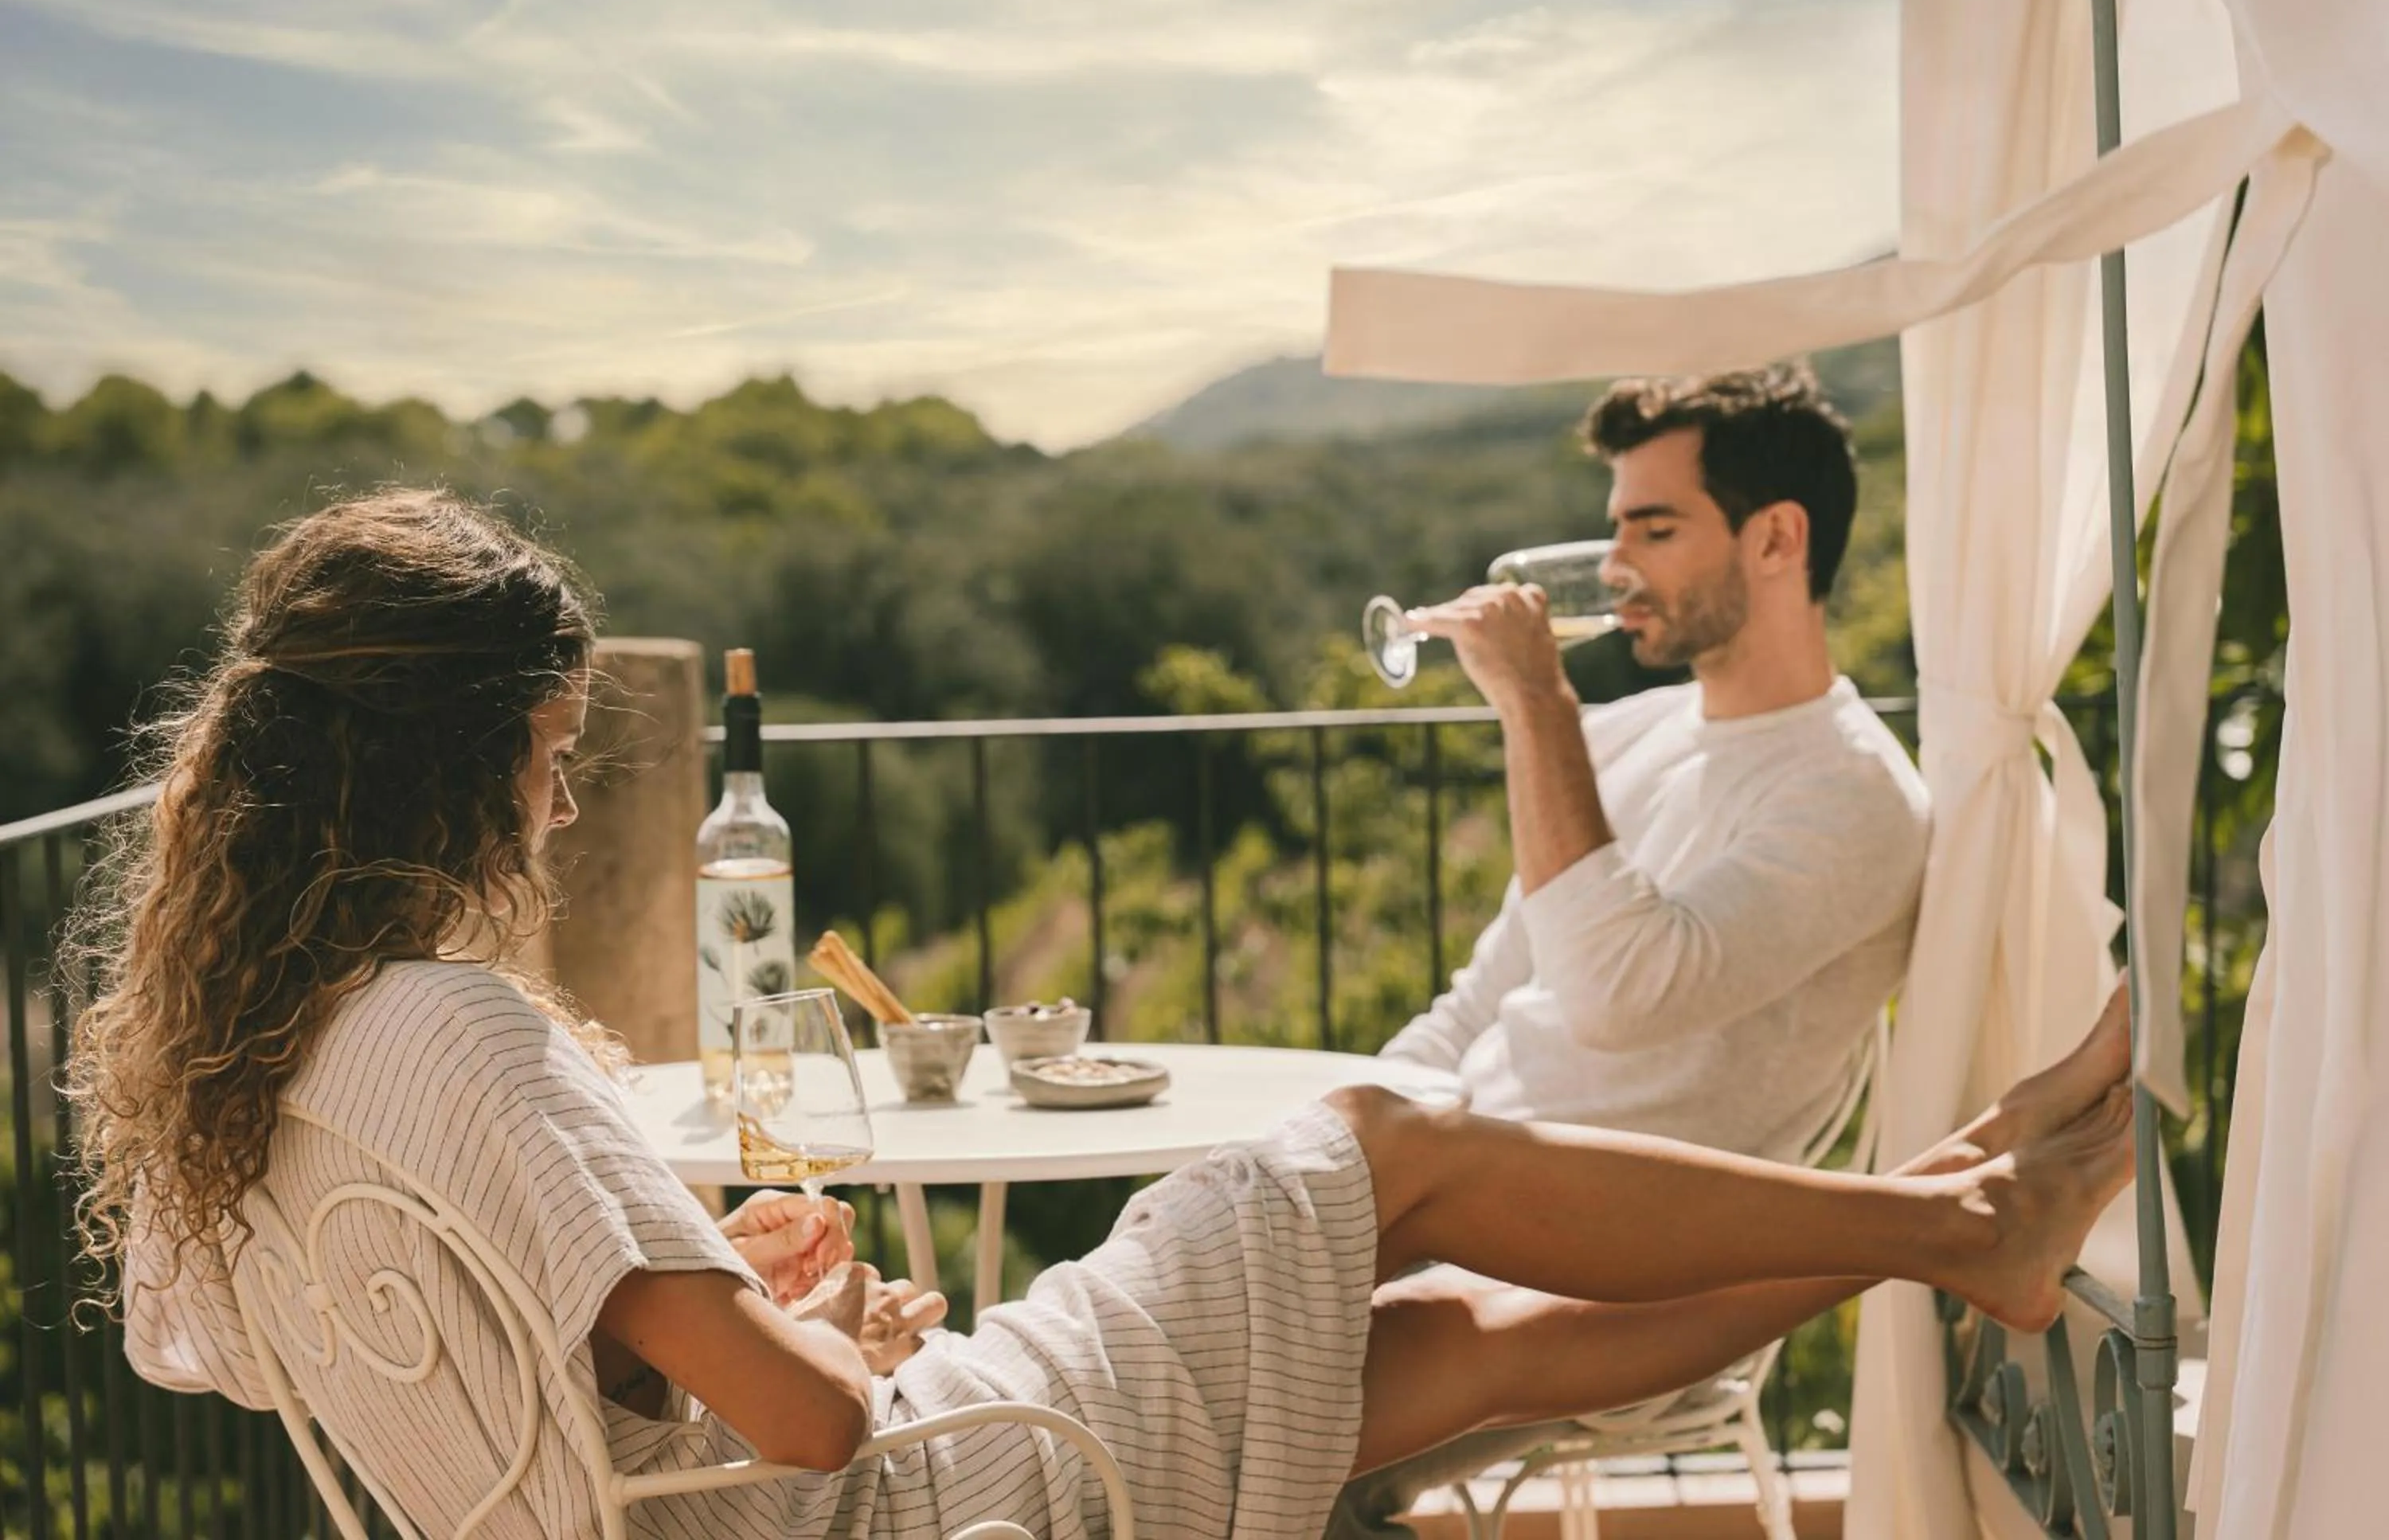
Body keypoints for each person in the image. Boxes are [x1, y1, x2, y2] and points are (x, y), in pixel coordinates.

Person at [71, 491, 2132, 1540]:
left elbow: (511, 1387)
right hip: (931, 1500)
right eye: (538, 752)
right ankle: (1952, 1228)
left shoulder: (254, 1078)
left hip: (797, 1507)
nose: (552, 797)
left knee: (1410, 1350)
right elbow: (812, 1421)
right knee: (1376, 1152)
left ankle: (1949, 1219)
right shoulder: (464, 1035)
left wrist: (712, 1322)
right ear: (435, 764)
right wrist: (816, 1334)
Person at [1341, 365, 1932, 1535]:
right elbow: (1479, 1000)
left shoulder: (1856, 797)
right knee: (1157, 1353)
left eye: (1656, 530)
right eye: (1614, 528)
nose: (1615, 568)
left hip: (1607, 1278)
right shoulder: (1641, 732)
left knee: (1255, 1443)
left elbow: (1618, 995)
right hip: (1450, 1209)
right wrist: (1338, 1143)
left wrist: (1536, 706)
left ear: (1776, 540)